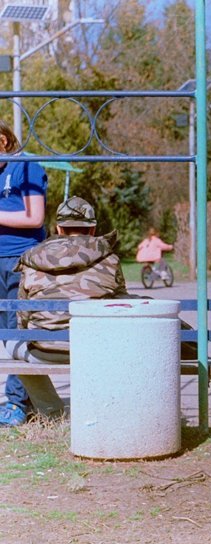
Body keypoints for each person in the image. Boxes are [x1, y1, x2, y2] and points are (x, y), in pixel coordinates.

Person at [5, 197, 122, 420]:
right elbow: (120, 304)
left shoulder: (31, 259)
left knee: (12, 342)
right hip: (96, 349)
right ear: (93, 229)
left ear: (58, 228)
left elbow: (23, 318)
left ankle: (52, 411)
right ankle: (103, 408)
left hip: (44, 351)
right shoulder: (110, 258)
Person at [0, 119, 47, 427]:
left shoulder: (26, 166)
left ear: (3, 140)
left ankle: (17, 403)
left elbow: (35, 217)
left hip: (19, 259)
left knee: (17, 331)